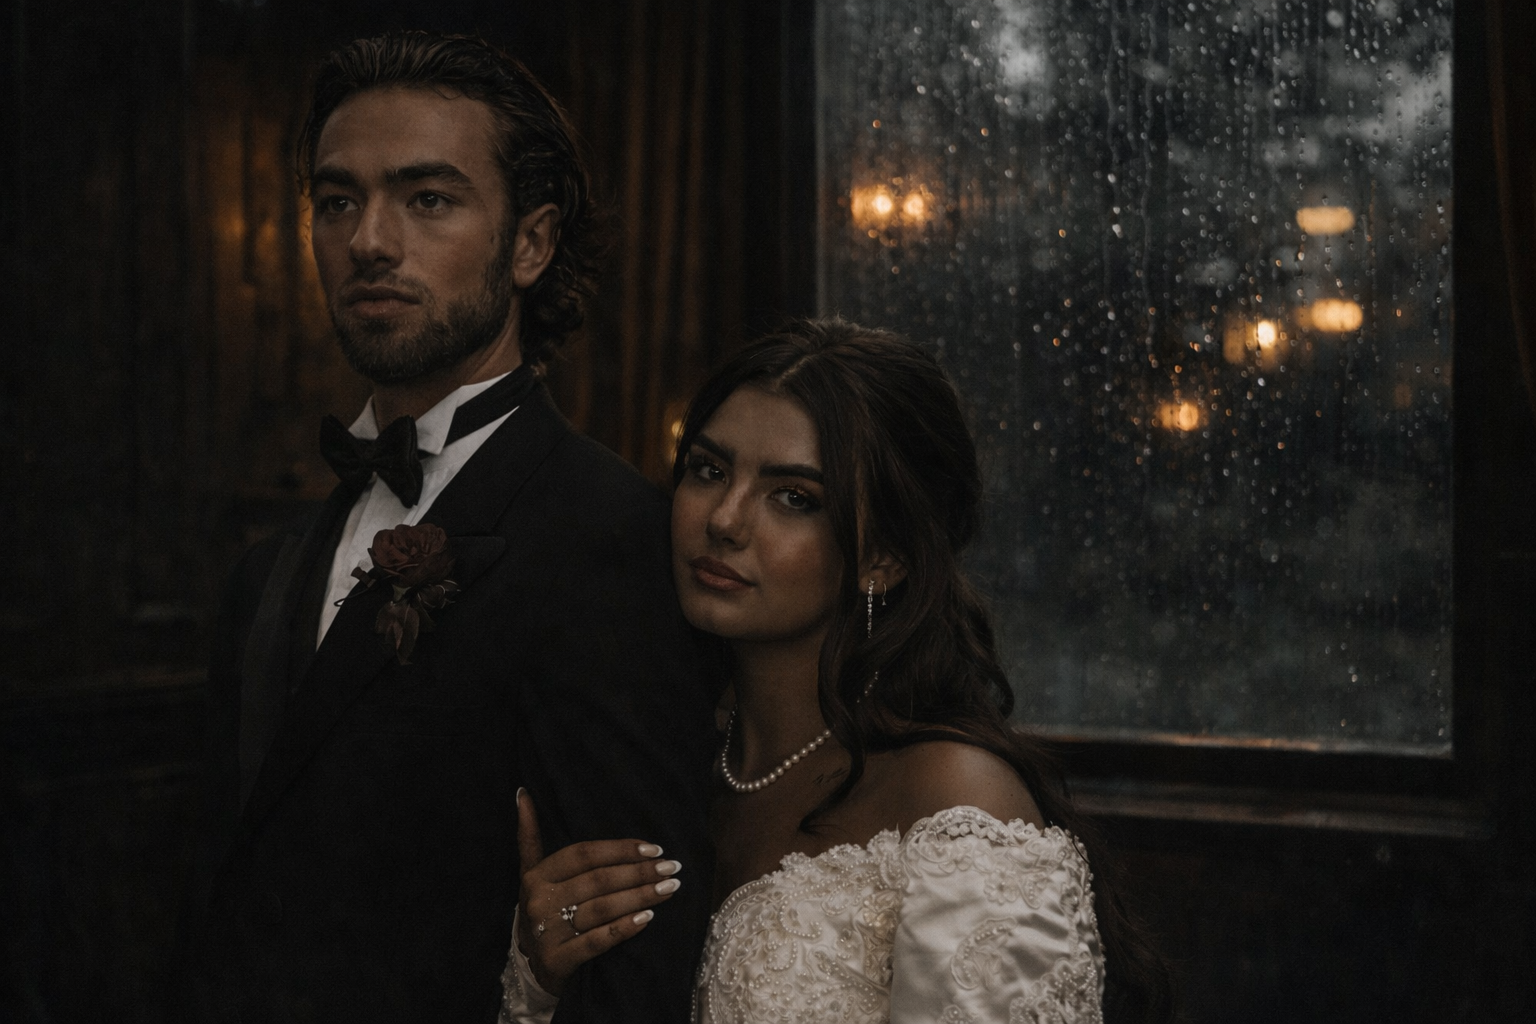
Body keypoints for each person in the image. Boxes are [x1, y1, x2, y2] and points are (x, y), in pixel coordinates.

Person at [183, 32, 717, 1024]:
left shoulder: (611, 536)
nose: (369, 240)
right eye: (337, 200)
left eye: (427, 198)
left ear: (531, 243)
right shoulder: (266, 573)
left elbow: (635, 958)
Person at [499, 320, 1172, 1023]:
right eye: (709, 470)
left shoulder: (953, 795)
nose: (724, 520)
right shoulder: (659, 755)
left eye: (794, 498)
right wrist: (542, 980)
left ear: (885, 556)